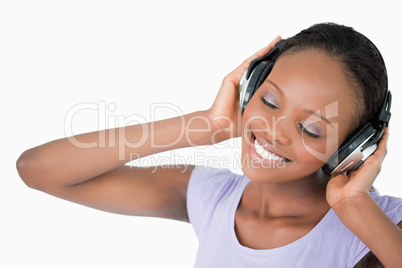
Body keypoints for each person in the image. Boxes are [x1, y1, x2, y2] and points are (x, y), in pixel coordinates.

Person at [16, 23, 402, 267]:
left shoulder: (384, 223)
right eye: (268, 101)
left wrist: (355, 207)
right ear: (249, 88)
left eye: (312, 129)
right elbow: (37, 170)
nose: (273, 131)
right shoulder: (213, 197)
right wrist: (205, 126)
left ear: (354, 146)